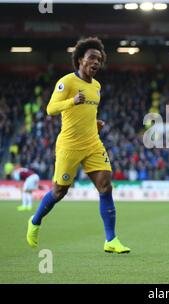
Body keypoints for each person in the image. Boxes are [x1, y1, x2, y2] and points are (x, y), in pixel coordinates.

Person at [26, 37, 130, 254]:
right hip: (69, 145)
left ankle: (111, 240)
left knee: (105, 186)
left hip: (93, 143)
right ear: (80, 60)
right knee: (59, 191)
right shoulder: (67, 82)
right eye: (92, 58)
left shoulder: (97, 86)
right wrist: (71, 102)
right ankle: (35, 221)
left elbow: (87, 112)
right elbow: (51, 109)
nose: (96, 62)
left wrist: (95, 123)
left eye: (99, 60)